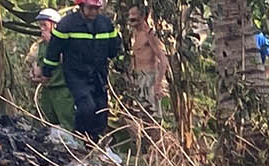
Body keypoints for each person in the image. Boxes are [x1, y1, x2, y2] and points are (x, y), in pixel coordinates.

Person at [41, 0, 122, 141]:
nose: (94, 12)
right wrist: (47, 72)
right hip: (76, 75)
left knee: (101, 111)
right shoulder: (67, 25)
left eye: (96, 8)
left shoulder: (105, 24)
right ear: (81, 6)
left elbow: (114, 49)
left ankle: (94, 143)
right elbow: (53, 51)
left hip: (99, 75)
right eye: (90, 8)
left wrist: (119, 64)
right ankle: (79, 137)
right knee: (86, 107)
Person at [25, 9, 75, 130]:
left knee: (68, 125)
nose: (42, 28)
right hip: (47, 91)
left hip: (63, 91)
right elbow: (33, 63)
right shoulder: (40, 46)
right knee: (48, 125)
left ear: (54, 26)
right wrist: (34, 72)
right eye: (40, 25)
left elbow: (68, 61)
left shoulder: (66, 42)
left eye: (45, 25)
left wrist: (53, 42)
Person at [125, 5, 168, 113]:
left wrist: (158, 84)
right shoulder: (134, 34)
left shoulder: (149, 34)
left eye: (134, 16)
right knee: (141, 113)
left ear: (142, 16)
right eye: (129, 16)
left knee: (151, 115)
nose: (131, 19)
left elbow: (163, 59)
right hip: (137, 78)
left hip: (149, 78)